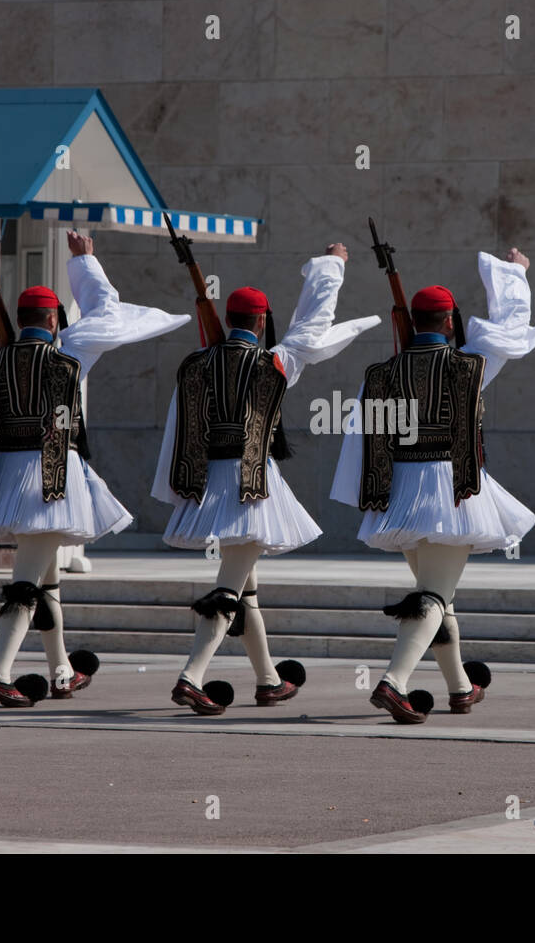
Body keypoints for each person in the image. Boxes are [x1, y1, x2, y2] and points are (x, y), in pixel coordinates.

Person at [0, 229, 190, 706]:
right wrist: (84, 263)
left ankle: (62, 671)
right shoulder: (70, 350)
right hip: (52, 481)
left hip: (7, 478)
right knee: (26, 582)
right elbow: (109, 313)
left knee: (46, 577)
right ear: (53, 319)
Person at [151, 243, 379, 715]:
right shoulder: (275, 362)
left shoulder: (194, 365)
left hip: (207, 481)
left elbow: (179, 430)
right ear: (259, 323)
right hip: (251, 484)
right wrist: (333, 264)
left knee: (245, 585)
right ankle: (192, 676)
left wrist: (176, 488)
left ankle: (268, 680)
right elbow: (312, 325)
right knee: (230, 587)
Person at [330, 248, 535, 723]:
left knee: (439, 594)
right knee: (432, 595)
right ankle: (394, 682)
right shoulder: (472, 365)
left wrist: (368, 498)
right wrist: (514, 274)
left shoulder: (381, 375)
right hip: (452, 491)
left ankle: (460, 686)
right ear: (451, 322)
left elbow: (364, 439)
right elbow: (510, 331)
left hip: (400, 495)